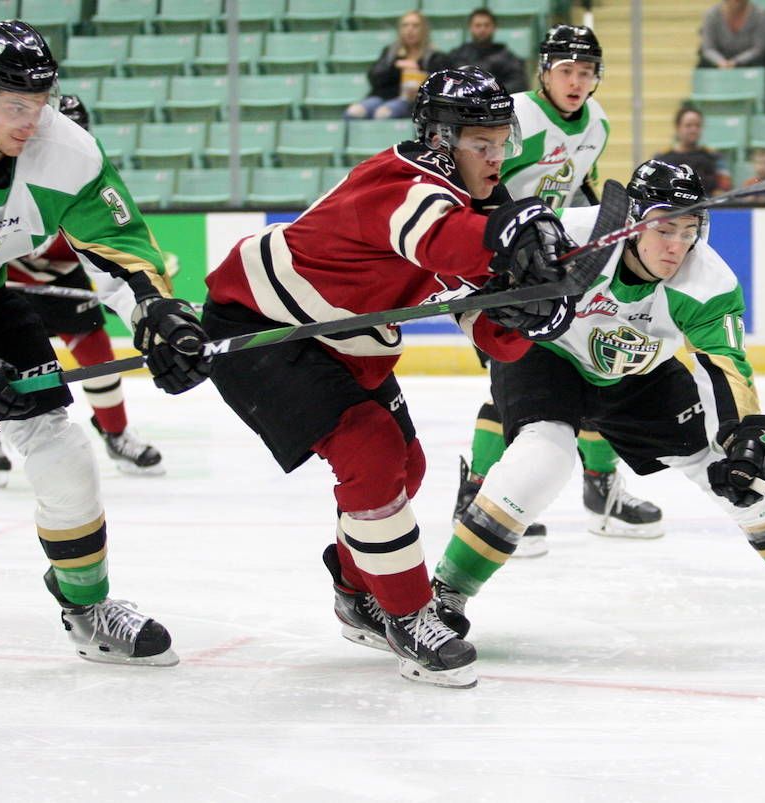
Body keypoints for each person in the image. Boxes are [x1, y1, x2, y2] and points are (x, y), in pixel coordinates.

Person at [201, 67, 574, 689]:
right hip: (262, 327)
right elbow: (449, 244)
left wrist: (528, 317)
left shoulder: (481, 204)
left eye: (502, 141)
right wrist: (512, 238)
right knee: (370, 450)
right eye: (480, 143)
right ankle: (408, 614)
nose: (496, 156)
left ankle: (357, 595)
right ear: (438, 140)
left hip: (344, 340)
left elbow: (481, 321)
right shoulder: (399, 183)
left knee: (409, 465)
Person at [421, 160, 765, 647]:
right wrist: (484, 311)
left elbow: (725, 367)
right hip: (547, 356)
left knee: (732, 472)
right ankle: (447, 591)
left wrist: (745, 435)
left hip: (638, 373)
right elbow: (471, 280)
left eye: (689, 229)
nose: (677, 245)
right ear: (633, 222)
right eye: (663, 228)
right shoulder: (570, 236)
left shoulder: (707, 283)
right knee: (542, 457)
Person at [0, 21, 210, 665]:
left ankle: (87, 606)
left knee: (59, 445)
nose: (32, 120)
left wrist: (158, 312)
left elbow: (121, 253)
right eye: (15, 105)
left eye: (41, 101)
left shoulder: (68, 152)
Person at [453, 24, 665, 560]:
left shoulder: (598, 122)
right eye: (566, 70)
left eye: (586, 72)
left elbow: (581, 187)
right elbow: (476, 185)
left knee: (592, 365)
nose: (576, 81)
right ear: (544, 71)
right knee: (516, 380)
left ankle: (602, 491)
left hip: (559, 267)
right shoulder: (515, 115)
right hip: (500, 268)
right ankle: (477, 495)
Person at [0, 94, 164, 487]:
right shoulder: (0, 161)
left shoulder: (81, 167)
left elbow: (105, 237)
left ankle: (115, 432)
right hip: (3, 277)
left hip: (60, 278)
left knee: (94, 344)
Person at [345, 10, 450, 120]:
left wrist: (418, 72)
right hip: (382, 96)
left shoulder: (435, 57)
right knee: (353, 112)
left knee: (383, 114)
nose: (410, 30)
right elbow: (374, 78)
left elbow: (440, 84)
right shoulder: (390, 53)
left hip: (413, 100)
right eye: (405, 25)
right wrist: (396, 67)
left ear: (424, 30)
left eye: (415, 26)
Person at [652, 105, 731, 195]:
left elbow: (725, 189)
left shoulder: (714, 157)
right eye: (688, 126)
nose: (694, 130)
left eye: (697, 126)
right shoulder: (662, 158)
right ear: (678, 128)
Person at [446, 7, 527, 94]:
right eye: (478, 25)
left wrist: (489, 92)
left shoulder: (507, 58)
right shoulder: (457, 55)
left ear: (494, 28)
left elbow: (518, 83)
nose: (482, 29)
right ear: (470, 28)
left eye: (486, 25)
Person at [699, 0, 765, 68]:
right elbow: (708, 48)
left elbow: (759, 48)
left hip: (751, 63)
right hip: (718, 64)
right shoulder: (711, 15)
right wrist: (721, 62)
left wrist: (736, 62)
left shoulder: (760, 15)